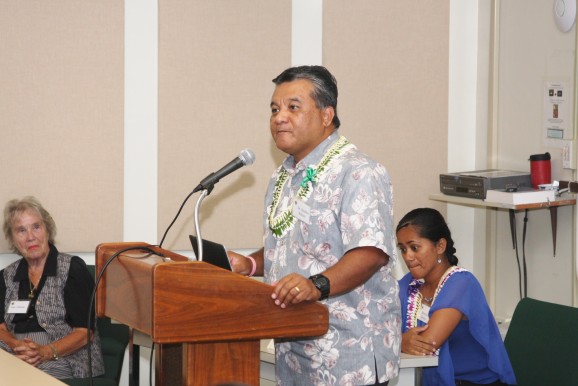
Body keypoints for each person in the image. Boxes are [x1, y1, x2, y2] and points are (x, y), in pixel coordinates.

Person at [229, 65, 401, 385]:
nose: (280, 117)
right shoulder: (283, 176)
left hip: (348, 356)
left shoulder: (359, 172)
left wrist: (315, 285)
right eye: (274, 109)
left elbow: (371, 252)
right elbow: (291, 248)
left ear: (326, 115)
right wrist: (250, 263)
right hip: (296, 350)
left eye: (293, 107)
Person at [396, 208, 516, 386]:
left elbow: (428, 343)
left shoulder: (461, 283)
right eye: (403, 249)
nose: (408, 257)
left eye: (414, 247)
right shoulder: (410, 284)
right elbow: (377, 327)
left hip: (473, 382)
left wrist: (396, 341)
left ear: (440, 246)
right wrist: (400, 341)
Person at [0, 196, 104, 379]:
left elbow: (84, 333)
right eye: (21, 230)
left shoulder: (72, 269)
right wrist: (17, 346)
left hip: (64, 355)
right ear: (13, 238)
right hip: (15, 352)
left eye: (36, 227)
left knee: (28, 378)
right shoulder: (6, 276)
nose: (30, 237)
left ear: (48, 229)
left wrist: (45, 352)